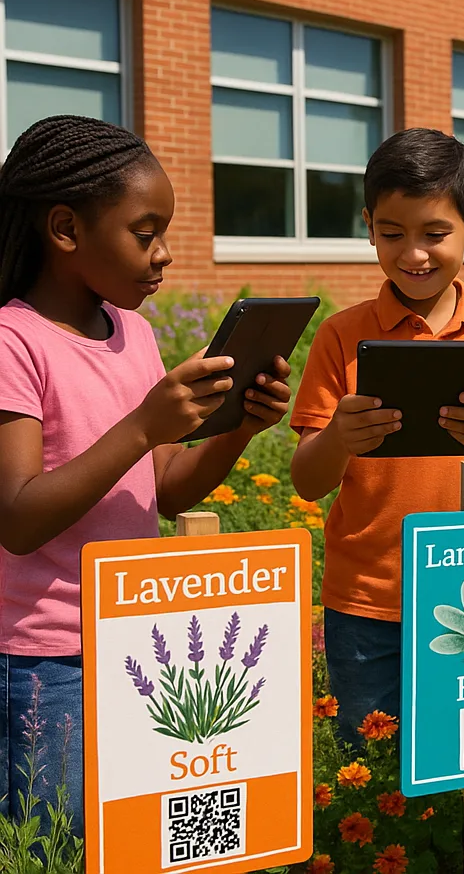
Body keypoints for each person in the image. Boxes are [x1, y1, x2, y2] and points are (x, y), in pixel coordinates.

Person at [0, 115, 293, 838]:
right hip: (48, 662)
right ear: (65, 228)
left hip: (134, 640)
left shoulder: (134, 331)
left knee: (130, 841)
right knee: (57, 845)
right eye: (144, 232)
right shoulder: (13, 340)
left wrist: (240, 427)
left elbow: (167, 490)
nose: (163, 254)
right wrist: (140, 426)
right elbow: (17, 518)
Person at [290, 128, 464, 746]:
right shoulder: (340, 335)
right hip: (367, 600)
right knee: (371, 769)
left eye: (435, 234)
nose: (414, 253)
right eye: (392, 233)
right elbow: (307, 480)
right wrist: (340, 438)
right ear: (369, 226)